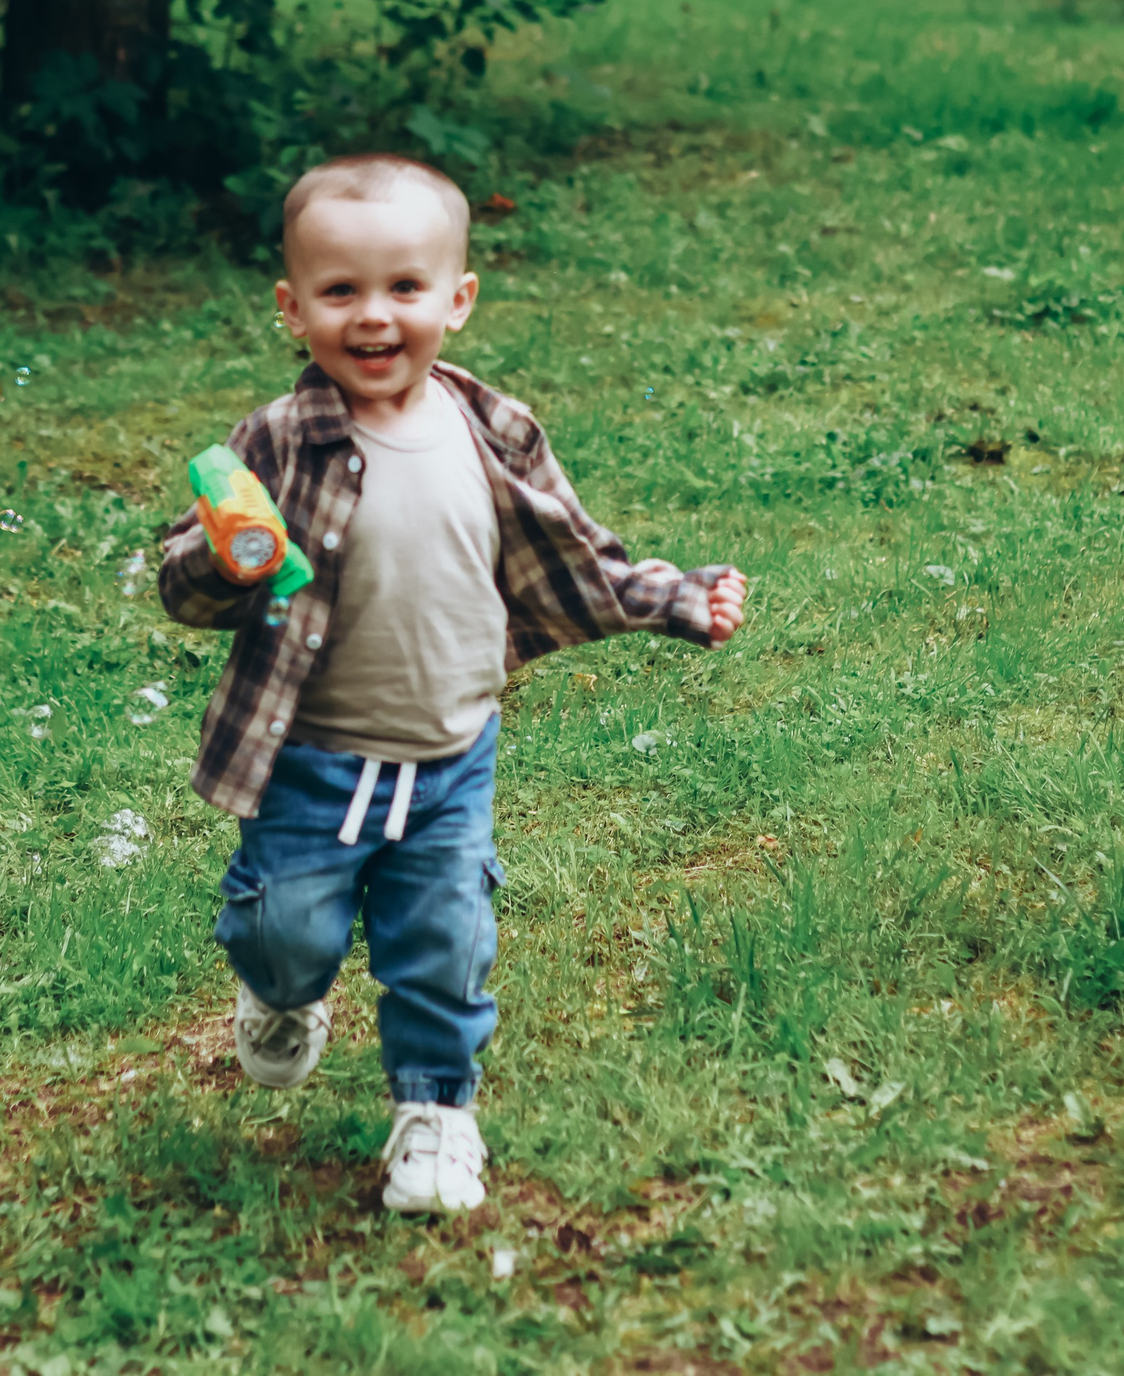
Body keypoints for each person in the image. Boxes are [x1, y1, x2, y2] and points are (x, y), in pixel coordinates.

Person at [159, 154, 749, 1213]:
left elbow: (573, 558)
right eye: (340, 293)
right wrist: (222, 559)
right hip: (310, 760)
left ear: (457, 300)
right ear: (293, 310)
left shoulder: (495, 432)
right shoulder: (276, 443)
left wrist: (673, 598)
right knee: (287, 930)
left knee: (446, 944)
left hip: (448, 759)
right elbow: (184, 579)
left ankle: (436, 1113)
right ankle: (281, 990)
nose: (374, 317)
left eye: (404, 289)